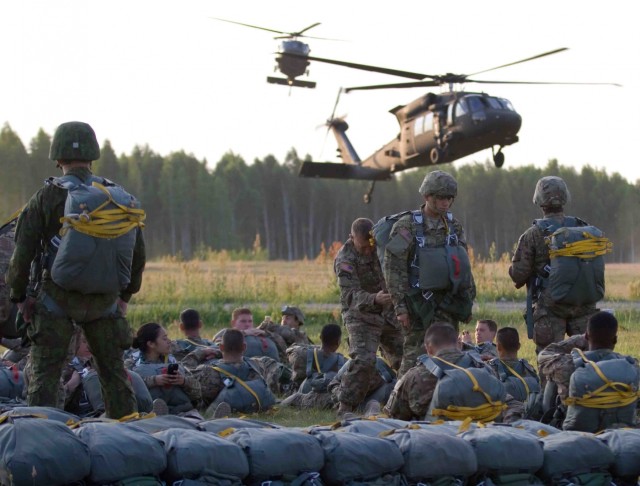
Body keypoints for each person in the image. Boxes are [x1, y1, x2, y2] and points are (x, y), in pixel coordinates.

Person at [5, 121, 146, 419]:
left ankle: (42, 440)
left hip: (56, 300)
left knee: (45, 377)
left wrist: (20, 298)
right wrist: (125, 297)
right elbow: (137, 253)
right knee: (113, 374)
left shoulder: (46, 197)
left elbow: (22, 255)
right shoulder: (116, 197)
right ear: (93, 156)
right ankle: (127, 435)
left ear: (57, 158)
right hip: (105, 302)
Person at [384, 170, 476, 377]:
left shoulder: (453, 226)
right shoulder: (406, 226)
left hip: (448, 303)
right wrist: (400, 307)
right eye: (440, 198)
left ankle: (442, 402)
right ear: (427, 196)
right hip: (417, 304)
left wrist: (467, 300)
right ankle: (399, 403)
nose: (445, 203)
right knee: (414, 357)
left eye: (449, 198)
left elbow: (463, 265)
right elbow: (393, 268)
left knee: (448, 357)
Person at [509, 176, 602, 353]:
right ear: (565, 198)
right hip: (584, 303)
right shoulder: (583, 228)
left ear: (539, 200)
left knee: (549, 359)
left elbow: (518, 274)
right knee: (590, 358)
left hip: (552, 307)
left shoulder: (534, 234)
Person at [333, 217, 404, 417]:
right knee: (364, 360)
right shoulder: (345, 260)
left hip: (387, 312)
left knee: (405, 357)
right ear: (351, 238)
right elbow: (349, 295)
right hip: (360, 314)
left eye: (369, 246)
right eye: (362, 247)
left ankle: (405, 401)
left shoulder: (378, 247)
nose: (367, 251)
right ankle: (346, 406)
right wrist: (374, 299)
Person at [538, 311, 639, 432]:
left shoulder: (567, 365)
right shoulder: (632, 366)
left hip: (578, 433)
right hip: (622, 431)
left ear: (586, 336)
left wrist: (578, 339)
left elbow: (544, 354)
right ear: (615, 339)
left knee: (550, 381)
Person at [384, 323, 507, 422]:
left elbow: (393, 419)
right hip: (481, 439)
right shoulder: (484, 369)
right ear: (458, 344)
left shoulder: (414, 376)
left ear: (428, 348)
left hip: (437, 444)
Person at [63, 328, 153, 417]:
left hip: (117, 403)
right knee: (93, 377)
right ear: (73, 343)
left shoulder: (100, 361)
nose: (89, 345)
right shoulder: (65, 368)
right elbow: (53, 403)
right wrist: (71, 385)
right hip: (85, 414)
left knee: (130, 375)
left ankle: (147, 410)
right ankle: (105, 414)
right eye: (84, 341)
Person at [194, 328, 276, 416]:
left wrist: (198, 354)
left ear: (221, 347)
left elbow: (185, 371)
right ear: (244, 347)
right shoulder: (257, 365)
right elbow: (272, 364)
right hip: (255, 402)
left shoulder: (208, 372)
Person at [131, 322, 202, 416]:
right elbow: (126, 389)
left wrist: (183, 381)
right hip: (146, 413)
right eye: (164, 338)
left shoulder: (172, 362)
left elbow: (197, 392)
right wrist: (154, 381)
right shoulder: (132, 363)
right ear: (151, 344)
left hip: (180, 410)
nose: (169, 341)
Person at [281, 323, 346, 409]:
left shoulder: (304, 354)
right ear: (338, 342)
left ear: (320, 338)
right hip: (326, 398)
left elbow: (291, 350)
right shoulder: (343, 362)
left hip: (303, 395)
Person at [487, 327, 541, 420]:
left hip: (504, 419)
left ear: (498, 346)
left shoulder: (489, 369)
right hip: (533, 418)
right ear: (519, 346)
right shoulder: (529, 369)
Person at [213, 307, 284, 362]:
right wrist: (244, 333)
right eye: (243, 321)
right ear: (233, 323)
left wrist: (265, 333)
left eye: (250, 321)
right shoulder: (228, 334)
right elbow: (216, 341)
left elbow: (283, 346)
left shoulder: (262, 334)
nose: (247, 324)